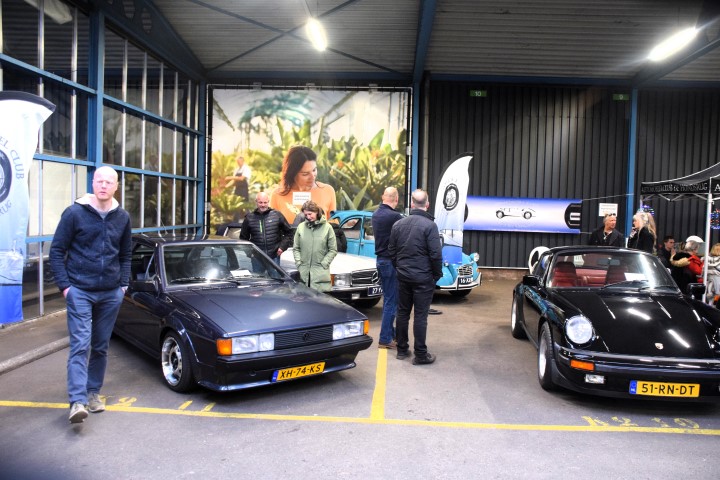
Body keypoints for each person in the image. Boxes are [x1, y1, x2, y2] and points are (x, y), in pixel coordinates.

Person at [49, 166, 132, 424]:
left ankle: (93, 392)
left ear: (116, 186)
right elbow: (56, 251)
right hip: (80, 291)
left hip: (110, 293)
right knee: (80, 345)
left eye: (109, 182)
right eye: (99, 181)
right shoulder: (74, 213)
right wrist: (66, 287)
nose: (104, 185)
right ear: (93, 183)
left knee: (100, 346)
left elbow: (126, 254)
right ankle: (77, 401)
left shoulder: (122, 217)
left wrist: (123, 285)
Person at [388, 189, 443, 365]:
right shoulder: (430, 226)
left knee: (402, 313)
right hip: (423, 278)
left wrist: (400, 268)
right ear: (427, 204)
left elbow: (392, 252)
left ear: (411, 204)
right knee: (420, 316)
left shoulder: (398, 225)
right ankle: (420, 355)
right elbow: (436, 255)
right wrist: (436, 275)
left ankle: (402, 350)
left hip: (403, 277)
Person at [270, 145, 337, 224]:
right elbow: (272, 226)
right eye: (305, 174)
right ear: (292, 174)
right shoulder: (277, 195)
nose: (312, 177)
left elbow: (334, 225)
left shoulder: (327, 191)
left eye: (314, 170)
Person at [371, 187, 404, 349]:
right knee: (392, 301)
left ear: (383, 197)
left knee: (388, 300)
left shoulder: (376, 214)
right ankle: (385, 338)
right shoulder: (395, 217)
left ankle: (390, 334)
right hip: (390, 262)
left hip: (381, 261)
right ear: (396, 199)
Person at [292, 200, 337, 292]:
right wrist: (299, 263)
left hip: (320, 275)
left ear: (316, 212)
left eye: (310, 214)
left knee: (319, 300)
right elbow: (296, 248)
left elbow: (333, 249)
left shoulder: (327, 228)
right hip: (303, 273)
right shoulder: (301, 227)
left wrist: (324, 264)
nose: (308, 217)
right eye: (306, 215)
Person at [240, 191, 293, 264]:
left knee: (274, 273)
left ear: (268, 202)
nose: (263, 205)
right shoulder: (249, 218)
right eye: (260, 202)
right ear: (256, 202)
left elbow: (289, 233)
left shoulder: (277, 215)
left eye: (265, 202)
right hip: (257, 258)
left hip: (274, 257)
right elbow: (243, 238)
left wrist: (282, 247)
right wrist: (249, 253)